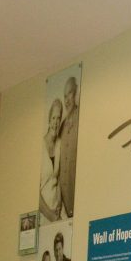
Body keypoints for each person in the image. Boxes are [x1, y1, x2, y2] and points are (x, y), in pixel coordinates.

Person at [58, 76, 79, 218]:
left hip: (77, 204)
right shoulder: (62, 126)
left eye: (70, 94)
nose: (67, 100)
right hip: (63, 210)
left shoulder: (83, 119)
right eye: (65, 96)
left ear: (76, 93)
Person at [39, 98, 63, 221]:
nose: (56, 122)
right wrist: (50, 215)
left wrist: (59, 203)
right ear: (49, 120)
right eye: (54, 118)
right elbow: (34, 193)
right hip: (43, 213)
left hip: (57, 211)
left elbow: (58, 179)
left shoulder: (60, 144)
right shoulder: (40, 146)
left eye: (59, 118)